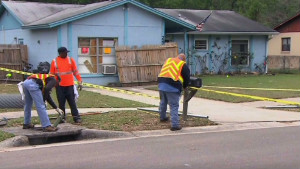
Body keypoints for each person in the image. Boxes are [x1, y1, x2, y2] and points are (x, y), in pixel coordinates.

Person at [50, 47, 83, 123]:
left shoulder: (70, 60)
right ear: (60, 53)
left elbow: (76, 72)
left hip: (69, 85)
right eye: (65, 53)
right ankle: (62, 117)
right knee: (61, 103)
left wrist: (80, 81)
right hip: (59, 86)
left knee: (72, 102)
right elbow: (51, 74)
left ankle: (76, 117)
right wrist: (52, 84)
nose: (66, 54)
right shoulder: (54, 61)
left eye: (67, 52)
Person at [158, 53, 190, 131]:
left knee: (163, 102)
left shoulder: (168, 60)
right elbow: (187, 77)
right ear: (184, 59)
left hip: (161, 83)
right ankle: (175, 125)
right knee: (174, 106)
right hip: (172, 86)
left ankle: (162, 117)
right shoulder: (182, 64)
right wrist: (185, 87)